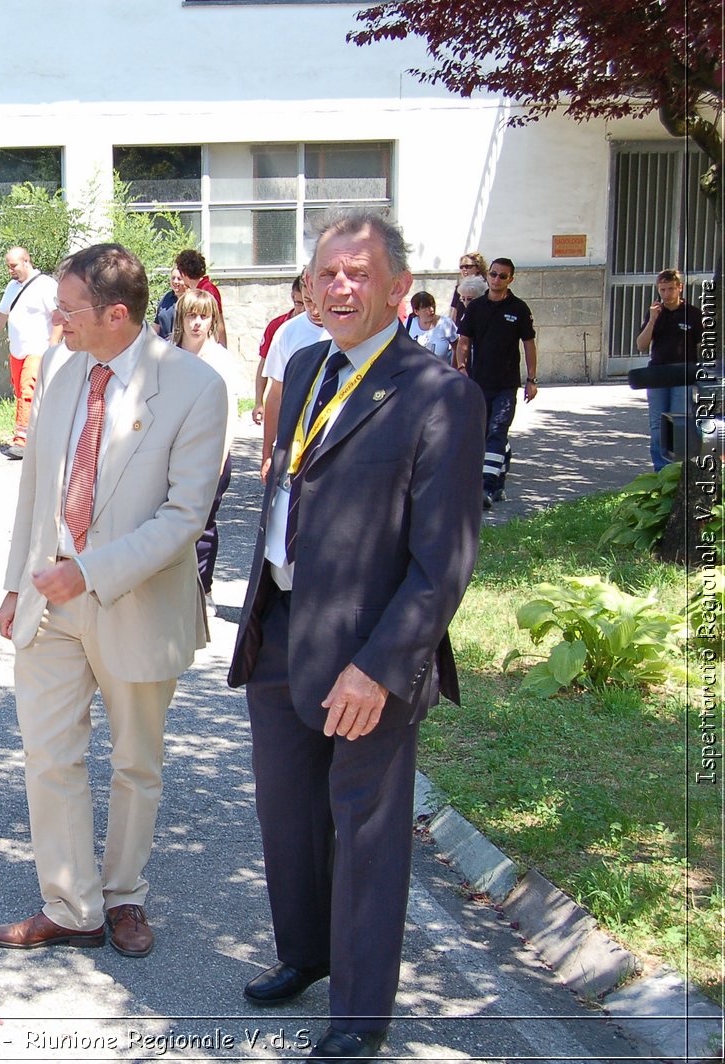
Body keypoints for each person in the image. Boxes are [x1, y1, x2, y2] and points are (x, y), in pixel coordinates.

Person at [227, 210, 484, 1061]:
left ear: (399, 287)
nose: (339, 288)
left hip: (368, 650)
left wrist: (378, 667)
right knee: (287, 817)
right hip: (280, 625)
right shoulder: (303, 365)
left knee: (364, 835)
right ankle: (304, 954)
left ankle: (360, 1017)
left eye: (358, 273)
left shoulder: (440, 394)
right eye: (325, 274)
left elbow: (442, 562)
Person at [0, 243, 228, 958]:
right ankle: (71, 905)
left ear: (116, 314)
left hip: (135, 601)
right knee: (48, 757)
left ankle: (125, 897)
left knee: (135, 764)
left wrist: (87, 571)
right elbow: (35, 490)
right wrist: (11, 584)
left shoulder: (194, 387)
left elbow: (184, 518)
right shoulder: (65, 370)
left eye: (68, 308)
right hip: (49, 599)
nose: (55, 318)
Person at [172, 288, 241, 594]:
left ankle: (203, 588)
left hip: (209, 455)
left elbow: (229, 414)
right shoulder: (166, 354)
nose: (197, 323)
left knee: (203, 523)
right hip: (171, 452)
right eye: (191, 315)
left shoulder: (221, 360)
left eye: (204, 316)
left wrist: (220, 459)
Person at [455, 256, 536, 509]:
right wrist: (461, 368)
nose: (496, 279)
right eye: (493, 274)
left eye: (502, 276)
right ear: (488, 275)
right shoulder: (476, 307)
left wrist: (531, 379)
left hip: (506, 383)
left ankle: (487, 487)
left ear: (511, 279)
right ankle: (499, 479)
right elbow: (464, 341)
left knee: (497, 430)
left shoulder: (519, 309)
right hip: (479, 382)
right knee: (487, 433)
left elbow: (529, 345)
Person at [0, 246, 62, 459]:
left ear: (26, 261)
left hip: (39, 349)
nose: (10, 270)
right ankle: (39, 437)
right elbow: (1, 316)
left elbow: (58, 317)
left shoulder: (46, 286)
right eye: (8, 266)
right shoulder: (12, 287)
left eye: (13, 266)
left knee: (28, 391)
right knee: (22, 394)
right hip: (18, 351)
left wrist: (53, 345)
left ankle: (21, 442)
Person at [259, 277, 330, 481]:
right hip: (295, 438)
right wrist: (267, 452)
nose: (315, 310)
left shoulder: (347, 330)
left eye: (319, 302)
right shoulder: (287, 332)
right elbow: (275, 395)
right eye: (307, 302)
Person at [636, 268, 702, 471]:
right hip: (658, 375)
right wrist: (653, 319)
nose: (666, 294)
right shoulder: (655, 313)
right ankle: (661, 471)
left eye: (670, 289)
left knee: (679, 424)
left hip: (683, 376)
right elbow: (641, 345)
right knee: (657, 426)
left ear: (679, 288)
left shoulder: (693, 314)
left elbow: (701, 347)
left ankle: (678, 470)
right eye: (662, 290)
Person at [254, 274, 305, 426]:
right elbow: (263, 364)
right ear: (292, 297)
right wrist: (259, 401)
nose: (304, 310)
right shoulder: (278, 326)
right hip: (282, 398)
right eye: (299, 303)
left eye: (309, 302)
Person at [153, 248, 224, 345]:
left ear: (184, 273)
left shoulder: (207, 290)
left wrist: (222, 348)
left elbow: (219, 324)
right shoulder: (196, 290)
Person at [407, 291, 458, 364]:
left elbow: (457, 347)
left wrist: (454, 368)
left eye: (433, 305)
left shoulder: (446, 323)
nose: (431, 310)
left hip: (441, 373)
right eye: (426, 308)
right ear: (416, 311)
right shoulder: (409, 323)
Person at [448, 251, 486, 325]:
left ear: (478, 268)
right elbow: (454, 312)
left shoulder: (485, 286)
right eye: (461, 267)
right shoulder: (458, 288)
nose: (464, 269)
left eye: (468, 266)